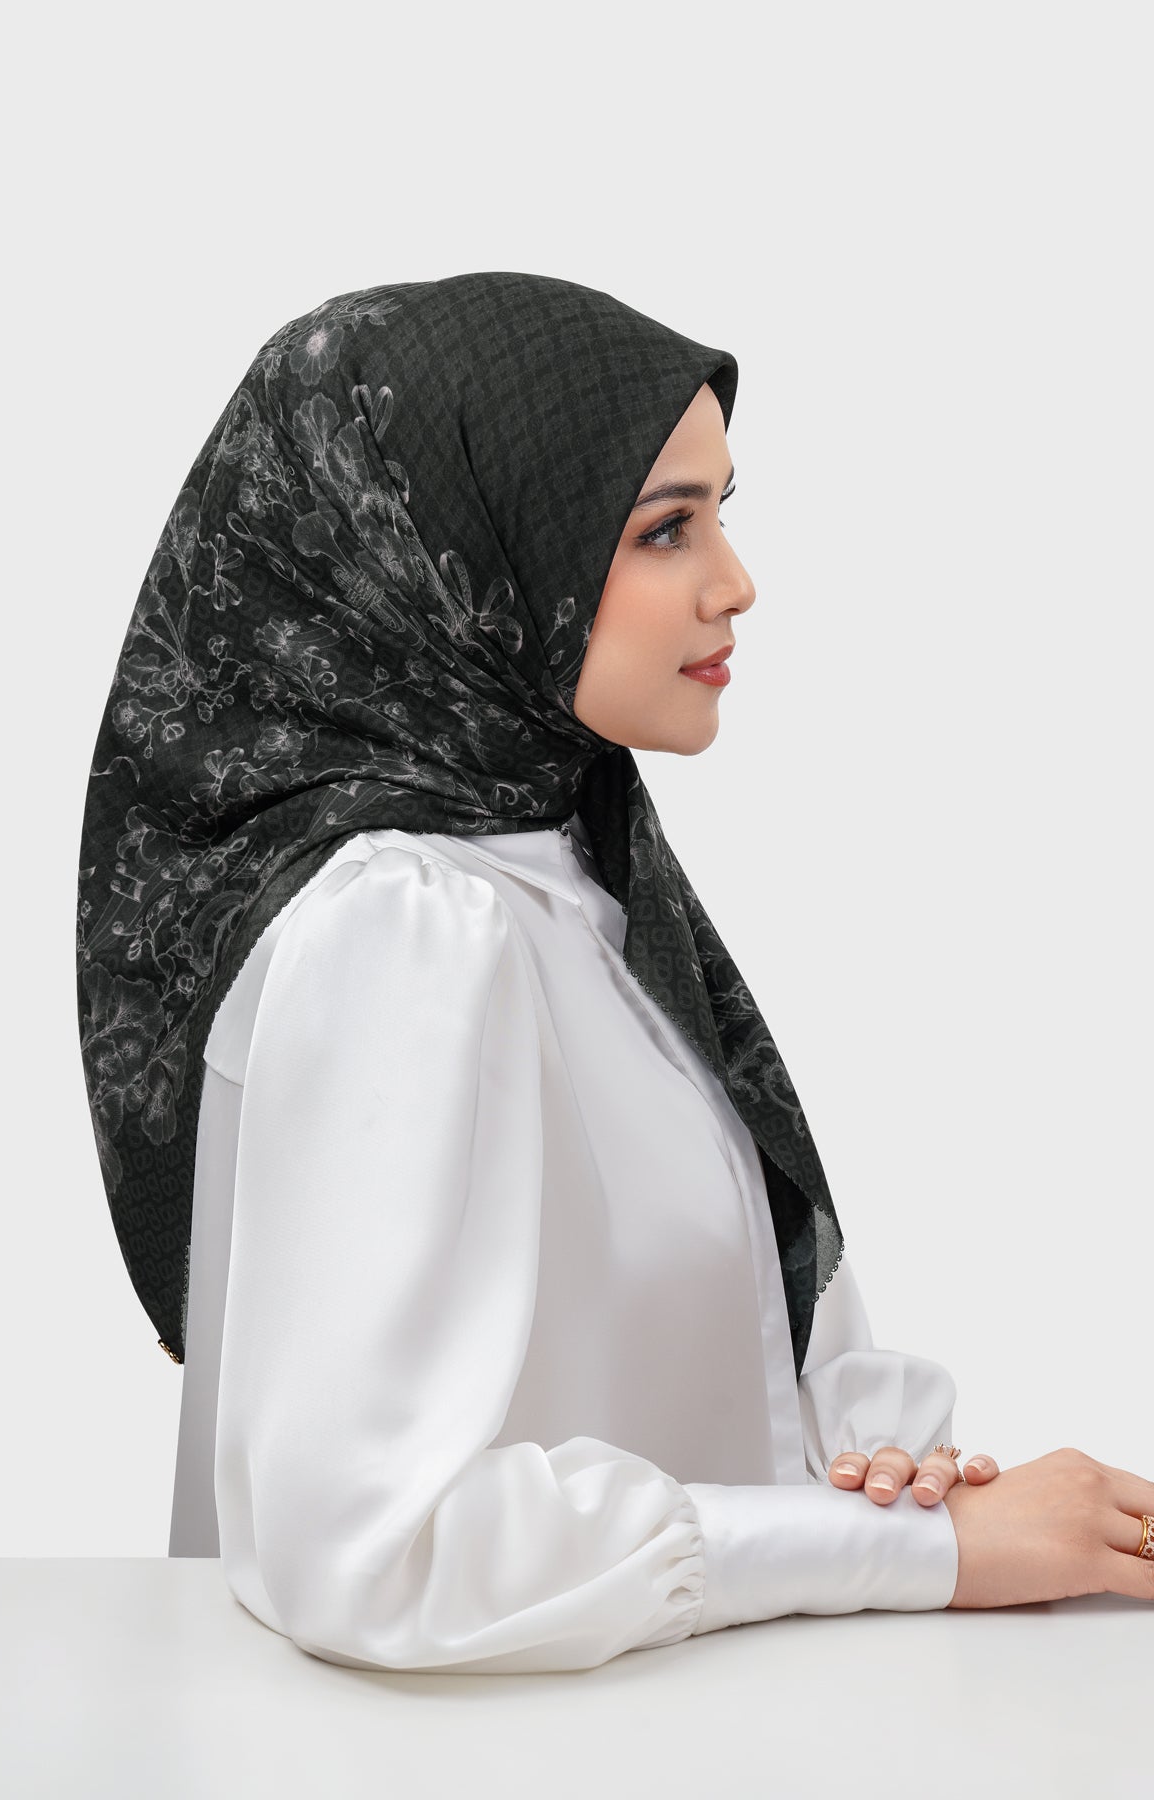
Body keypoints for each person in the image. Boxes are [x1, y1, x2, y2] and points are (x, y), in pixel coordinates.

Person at [77, 273, 1153, 1677]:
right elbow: (365, 1550)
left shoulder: (577, 867)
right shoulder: (403, 928)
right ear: (452, 562)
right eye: (663, 530)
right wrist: (917, 1555)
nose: (735, 583)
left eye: (720, 512)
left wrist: (882, 1471)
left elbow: (726, 1346)